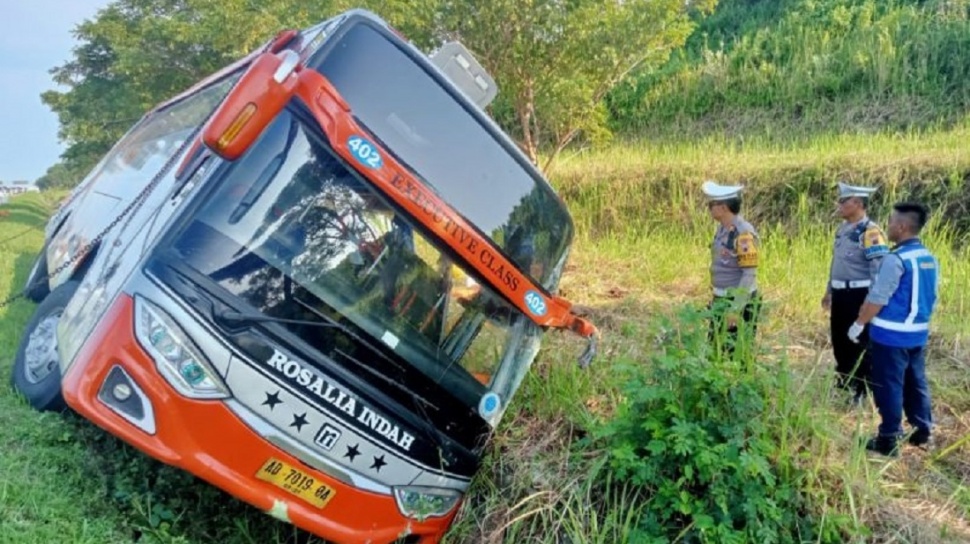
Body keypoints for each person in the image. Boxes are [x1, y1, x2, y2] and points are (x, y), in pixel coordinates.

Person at [848, 202, 939, 456]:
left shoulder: (895, 259)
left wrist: (858, 324)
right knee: (916, 381)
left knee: (888, 385)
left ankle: (888, 438)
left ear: (901, 227)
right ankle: (923, 431)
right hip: (918, 333)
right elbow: (932, 296)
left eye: (890, 223)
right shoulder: (928, 258)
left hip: (890, 335)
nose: (887, 227)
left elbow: (878, 298)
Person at [822, 182, 889, 404]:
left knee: (859, 342)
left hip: (859, 295)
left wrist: (870, 302)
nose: (839, 205)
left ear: (858, 204)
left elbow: (878, 270)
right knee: (840, 341)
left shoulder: (870, 232)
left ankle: (862, 390)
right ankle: (844, 385)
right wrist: (829, 290)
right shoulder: (842, 230)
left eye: (844, 201)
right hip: (841, 294)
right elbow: (835, 263)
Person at [702, 181, 761, 360]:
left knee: (736, 354)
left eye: (711, 204)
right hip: (722, 298)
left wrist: (736, 308)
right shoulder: (723, 230)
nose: (709, 208)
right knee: (715, 350)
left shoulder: (743, 234)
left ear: (724, 207)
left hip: (737, 301)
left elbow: (749, 273)